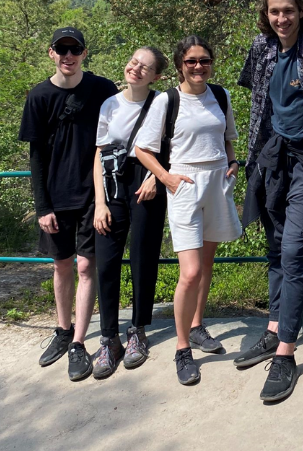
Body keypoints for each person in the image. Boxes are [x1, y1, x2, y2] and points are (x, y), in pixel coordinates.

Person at [235, 0, 303, 403]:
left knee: (295, 249)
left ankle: (285, 353)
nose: (282, 18)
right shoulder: (261, 47)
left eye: (289, 11)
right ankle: (274, 327)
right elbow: (260, 101)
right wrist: (251, 157)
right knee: (277, 248)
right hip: (274, 157)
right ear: (266, 14)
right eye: (275, 11)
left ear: (301, 11)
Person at [135, 36, 242, 386]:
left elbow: (227, 137)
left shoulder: (220, 95)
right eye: (191, 61)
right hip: (184, 184)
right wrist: (166, 178)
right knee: (190, 272)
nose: (199, 67)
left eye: (204, 60)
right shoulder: (168, 100)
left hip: (217, 182)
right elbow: (142, 149)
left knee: (206, 264)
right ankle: (182, 348)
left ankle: (197, 326)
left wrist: (232, 162)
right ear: (181, 64)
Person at [19, 27, 118, 381]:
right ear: (51, 53)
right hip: (56, 197)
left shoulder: (102, 89)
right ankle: (63, 330)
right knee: (61, 265)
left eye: (75, 49)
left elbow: (123, 128)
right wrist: (42, 207)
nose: (68, 56)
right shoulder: (39, 96)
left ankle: (78, 342)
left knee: (86, 267)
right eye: (62, 49)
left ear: (84, 53)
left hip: (94, 196)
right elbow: (36, 157)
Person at [90, 47, 169, 379]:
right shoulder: (110, 103)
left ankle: (138, 329)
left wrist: (156, 177)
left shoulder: (162, 102)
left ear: (156, 76)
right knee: (106, 261)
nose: (135, 69)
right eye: (134, 62)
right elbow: (99, 153)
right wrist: (99, 203)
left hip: (148, 180)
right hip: (113, 183)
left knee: (143, 258)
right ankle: (109, 338)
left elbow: (173, 146)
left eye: (145, 67)